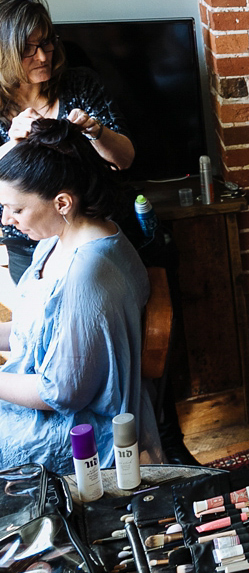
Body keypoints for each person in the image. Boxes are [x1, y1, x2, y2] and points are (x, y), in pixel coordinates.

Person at [0, 118, 161, 474]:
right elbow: (34, 327)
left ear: (61, 202)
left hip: (79, 434)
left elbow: (62, 393)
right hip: (48, 408)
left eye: (17, 209)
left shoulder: (89, 272)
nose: (6, 220)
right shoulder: (59, 237)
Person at [0, 0, 135, 282]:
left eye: (47, 42)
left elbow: (124, 160)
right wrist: (11, 145)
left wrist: (96, 131)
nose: (43, 55)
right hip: (28, 239)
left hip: (94, 228)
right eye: (28, 48)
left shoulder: (81, 84)